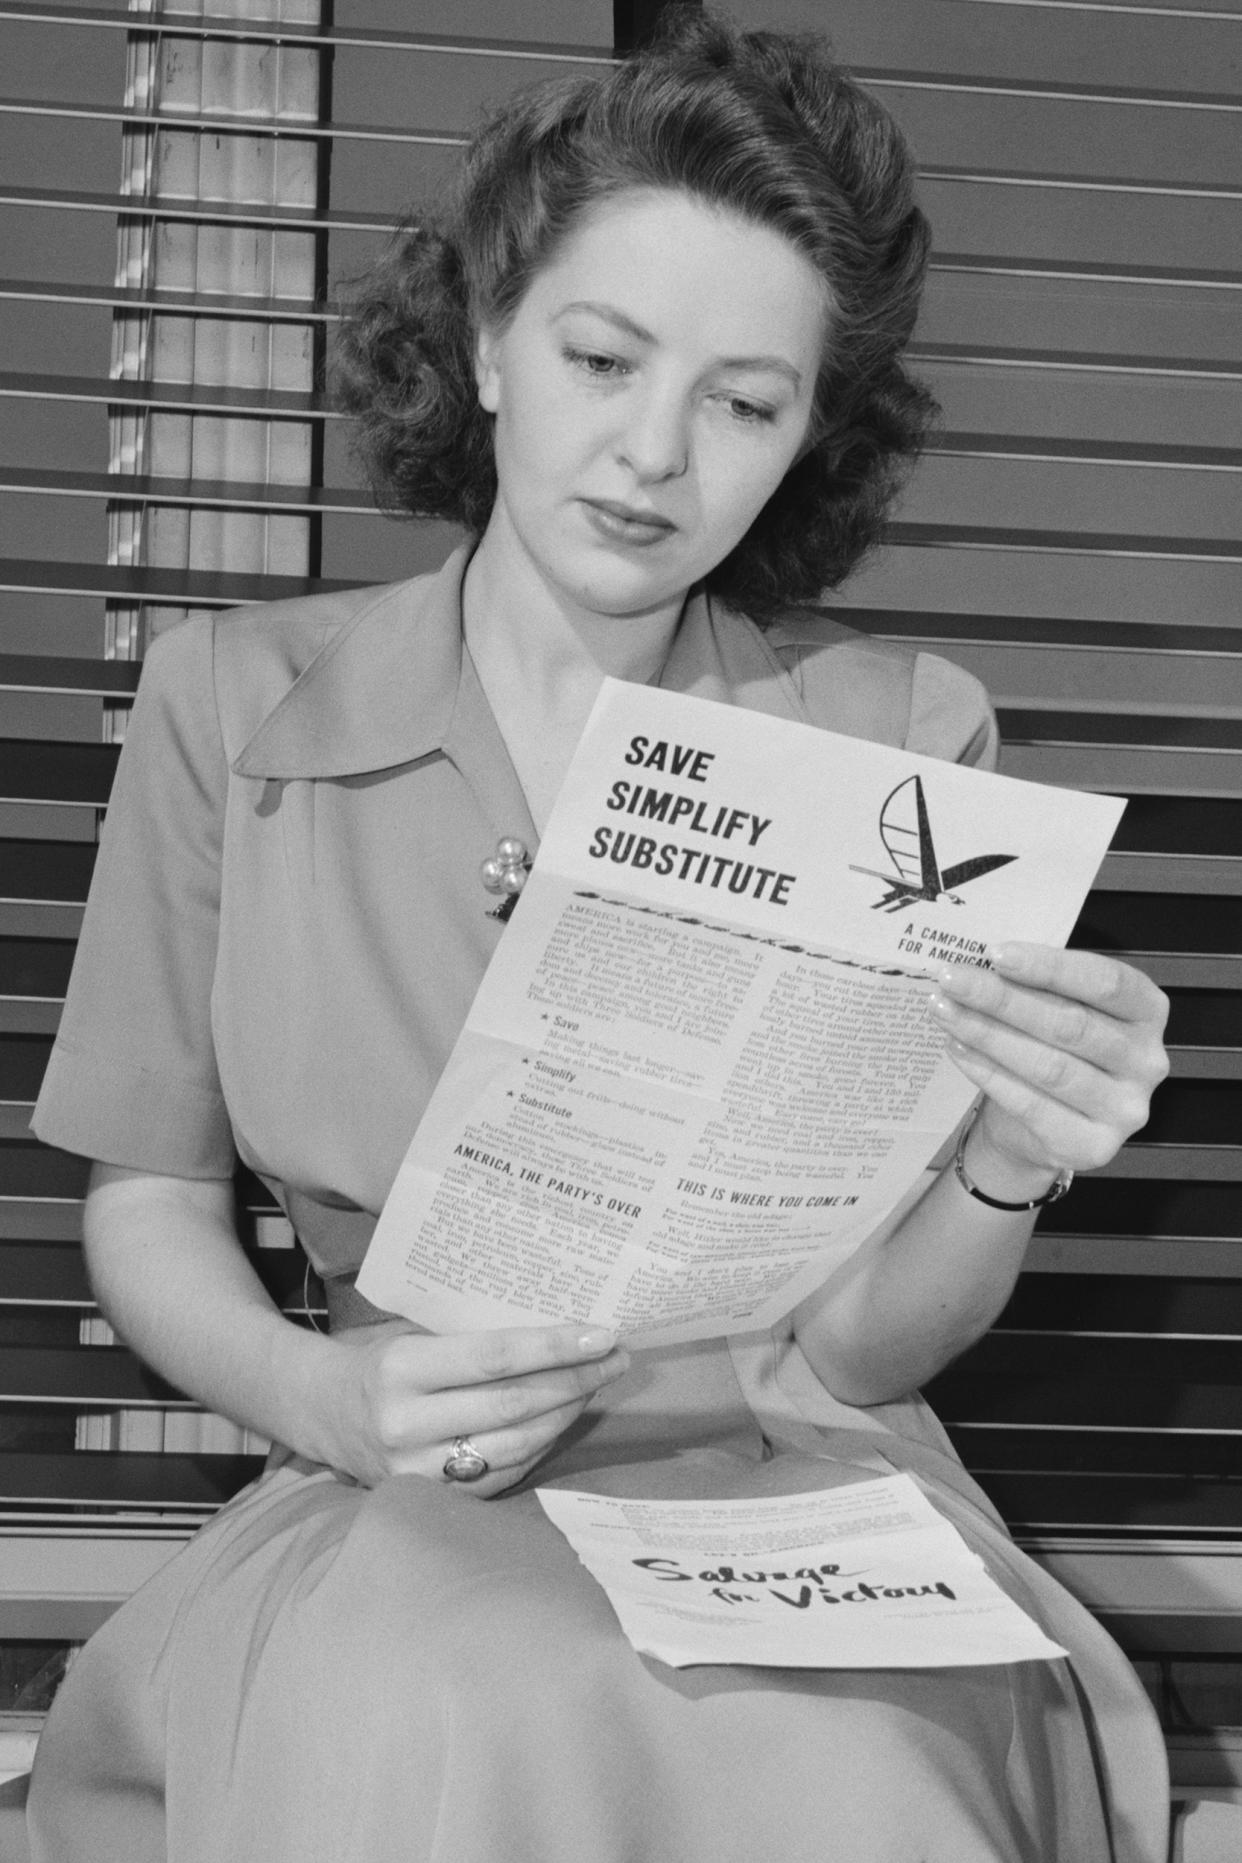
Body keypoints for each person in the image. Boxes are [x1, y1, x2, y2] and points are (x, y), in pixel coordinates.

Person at [29, 11, 1172, 1861]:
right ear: (486, 343)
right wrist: (326, 1392)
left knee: (864, 1769)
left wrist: (1013, 1164)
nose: (655, 453)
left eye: (744, 399)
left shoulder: (902, 740)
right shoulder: (230, 703)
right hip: (403, 1468)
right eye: (600, 357)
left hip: (801, 1479)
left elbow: (869, 1353)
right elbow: (144, 1198)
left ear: (809, 434)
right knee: (450, 1706)